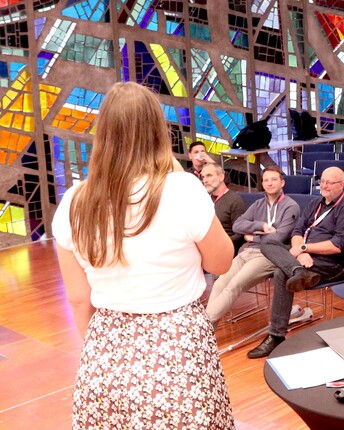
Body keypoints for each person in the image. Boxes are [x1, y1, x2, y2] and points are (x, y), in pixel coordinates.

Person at [53, 82, 236, 428]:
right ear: (158, 132)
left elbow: (78, 299)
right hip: (178, 347)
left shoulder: (74, 201)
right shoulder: (182, 188)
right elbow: (221, 262)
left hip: (106, 349)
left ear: (103, 134)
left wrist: (104, 352)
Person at [246, 166, 344, 359]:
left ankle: (276, 336)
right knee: (267, 243)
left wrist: (303, 248)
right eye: (322, 181)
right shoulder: (315, 203)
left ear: (341, 185)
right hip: (305, 258)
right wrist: (300, 255)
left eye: (329, 182)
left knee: (281, 273)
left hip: (332, 264)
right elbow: (297, 231)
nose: (324, 185)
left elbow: (336, 246)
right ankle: (297, 270)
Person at [206, 166, 300, 325]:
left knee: (234, 286)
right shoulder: (258, 204)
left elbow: (278, 238)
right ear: (262, 184)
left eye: (274, 179)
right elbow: (237, 225)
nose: (269, 183)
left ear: (282, 183)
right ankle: (208, 332)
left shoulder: (291, 206)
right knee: (219, 284)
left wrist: (252, 236)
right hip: (247, 252)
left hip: (268, 255)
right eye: (266, 180)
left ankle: (203, 327)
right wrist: (261, 226)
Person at [200, 163, 247, 252]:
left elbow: (240, 234)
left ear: (221, 177)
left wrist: (221, 244)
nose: (205, 180)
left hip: (224, 248)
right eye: (203, 177)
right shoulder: (204, 199)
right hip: (204, 245)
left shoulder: (235, 200)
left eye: (209, 176)